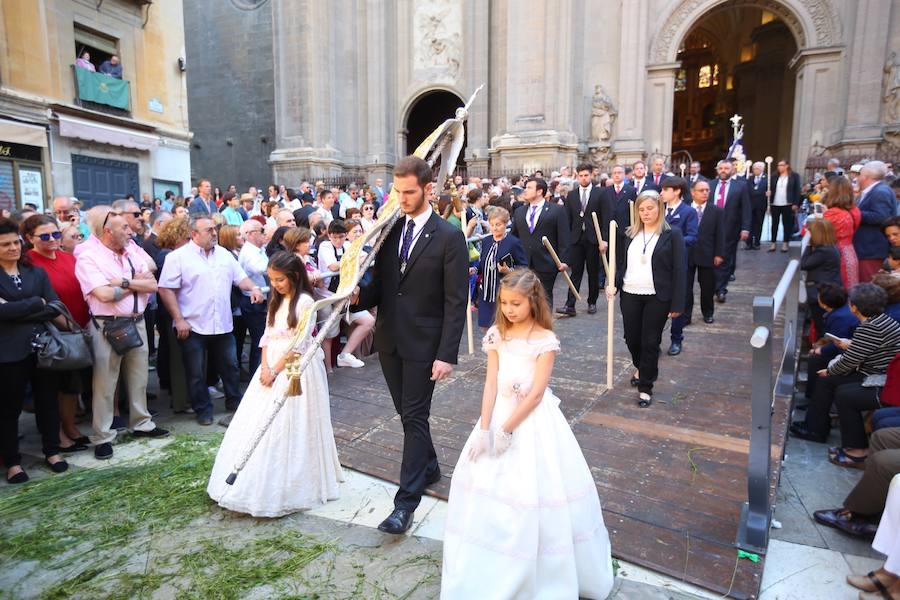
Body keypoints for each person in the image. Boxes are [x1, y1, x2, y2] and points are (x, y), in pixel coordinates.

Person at [441, 269, 614, 599]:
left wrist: (507, 429)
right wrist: (486, 426)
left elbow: (536, 393)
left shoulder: (544, 340)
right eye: (504, 303)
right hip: (498, 415)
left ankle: (540, 568)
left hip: (531, 420)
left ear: (533, 301)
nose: (508, 309)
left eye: (516, 303)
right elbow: (491, 383)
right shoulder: (496, 336)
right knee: (486, 485)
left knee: (535, 490)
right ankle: (489, 564)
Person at [353, 156, 468, 535]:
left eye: (409, 192)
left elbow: (455, 302)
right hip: (389, 339)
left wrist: (446, 354)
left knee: (414, 417)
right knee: (408, 415)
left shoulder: (449, 236)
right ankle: (430, 466)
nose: (401, 199)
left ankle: (405, 505)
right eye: (397, 192)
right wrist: (355, 294)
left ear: (427, 189)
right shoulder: (389, 233)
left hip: (425, 344)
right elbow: (380, 287)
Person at [207, 251, 343, 516]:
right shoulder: (276, 300)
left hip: (295, 366)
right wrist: (266, 366)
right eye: (272, 280)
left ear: (293, 276)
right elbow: (266, 337)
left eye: (280, 280)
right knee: (258, 421)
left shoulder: (305, 302)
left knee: (293, 420)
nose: (276, 285)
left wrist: (277, 370)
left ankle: (294, 482)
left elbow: (300, 344)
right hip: (271, 363)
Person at [75, 207, 168, 460]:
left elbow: (152, 284)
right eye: (124, 228)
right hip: (107, 325)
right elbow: (103, 294)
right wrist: (132, 284)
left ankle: (142, 423)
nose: (130, 231)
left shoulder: (131, 253)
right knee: (105, 383)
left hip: (137, 321)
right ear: (108, 231)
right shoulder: (89, 257)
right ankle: (103, 436)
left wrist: (122, 283)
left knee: (138, 378)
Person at [157, 217, 265, 426]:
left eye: (215, 230)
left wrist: (254, 288)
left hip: (222, 324)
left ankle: (234, 402)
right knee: (196, 372)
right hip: (193, 324)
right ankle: (203, 410)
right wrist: (178, 319)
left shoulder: (224, 255)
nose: (214, 233)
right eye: (208, 230)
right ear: (194, 234)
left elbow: (240, 277)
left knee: (230, 366)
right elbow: (165, 289)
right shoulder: (178, 257)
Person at [791, 284, 900, 458]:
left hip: (879, 379)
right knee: (830, 382)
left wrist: (830, 370)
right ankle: (815, 428)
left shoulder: (870, 328)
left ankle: (855, 448)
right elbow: (868, 348)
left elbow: (850, 361)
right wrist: (849, 345)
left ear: (854, 307)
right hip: (879, 372)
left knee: (839, 389)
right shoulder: (883, 320)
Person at [0, 218, 69, 482]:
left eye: (15, 242)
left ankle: (52, 451)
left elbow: (53, 306)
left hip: (42, 347)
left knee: (47, 402)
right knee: (9, 409)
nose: (12, 248)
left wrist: (14, 310)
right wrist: (33, 304)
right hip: (8, 353)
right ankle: (13, 462)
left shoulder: (35, 272)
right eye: (4, 244)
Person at [608, 190, 685, 407]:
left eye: (650, 208)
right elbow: (621, 264)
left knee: (650, 341)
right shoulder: (629, 234)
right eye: (641, 209)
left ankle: (646, 386)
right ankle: (641, 366)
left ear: (660, 209)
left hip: (657, 296)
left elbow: (680, 270)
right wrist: (612, 283)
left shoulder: (673, 234)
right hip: (630, 293)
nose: (645, 213)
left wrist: (678, 303)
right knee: (631, 338)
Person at [22, 215, 92, 451]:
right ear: (29, 238)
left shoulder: (68, 258)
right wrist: (67, 325)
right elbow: (43, 302)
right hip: (52, 333)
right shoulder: (28, 263)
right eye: (44, 236)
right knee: (51, 389)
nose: (52, 239)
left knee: (72, 385)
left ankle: (71, 427)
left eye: (55, 234)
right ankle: (58, 435)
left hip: (77, 331)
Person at [559, 163, 612, 316]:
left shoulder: (601, 193)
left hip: (594, 239)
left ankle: (592, 302)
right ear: (577, 176)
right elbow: (568, 219)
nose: (583, 178)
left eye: (586, 175)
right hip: (577, 239)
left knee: (593, 272)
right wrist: (567, 239)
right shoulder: (572, 195)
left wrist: (604, 240)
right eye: (581, 176)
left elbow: (606, 217)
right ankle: (570, 304)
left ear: (591, 176)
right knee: (575, 272)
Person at [510, 177, 570, 305]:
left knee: (544, 298)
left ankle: (545, 324)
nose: (525, 191)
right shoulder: (520, 211)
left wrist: (563, 260)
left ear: (539, 191)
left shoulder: (556, 210)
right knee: (525, 299)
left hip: (546, 263)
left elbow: (564, 237)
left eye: (529, 188)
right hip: (523, 263)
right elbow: (513, 237)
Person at [803, 284, 860, 403]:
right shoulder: (841, 311)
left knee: (815, 359)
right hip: (846, 350)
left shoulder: (840, 317)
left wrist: (820, 350)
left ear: (824, 304)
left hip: (845, 354)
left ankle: (813, 398)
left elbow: (838, 342)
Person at [661, 176, 698, 356]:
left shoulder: (688, 212)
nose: (661, 193)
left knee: (676, 302)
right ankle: (656, 340)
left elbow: (692, 236)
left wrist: (673, 242)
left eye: (665, 190)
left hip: (677, 263)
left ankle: (677, 339)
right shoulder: (660, 210)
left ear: (676, 191)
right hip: (660, 264)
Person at [473, 207, 527, 328]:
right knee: (486, 326)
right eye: (492, 224)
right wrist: (475, 270)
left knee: (503, 327)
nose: (494, 228)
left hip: (503, 292)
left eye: (498, 224)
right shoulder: (486, 241)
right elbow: (483, 263)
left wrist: (509, 271)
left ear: (505, 224)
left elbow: (523, 267)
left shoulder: (513, 242)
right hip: (486, 292)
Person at [711, 160, 751, 303]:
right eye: (720, 168)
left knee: (725, 260)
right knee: (711, 260)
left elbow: (746, 209)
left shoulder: (740, 187)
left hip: (730, 229)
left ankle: (721, 289)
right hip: (710, 229)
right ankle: (713, 286)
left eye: (726, 168)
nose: (723, 170)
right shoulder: (710, 185)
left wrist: (745, 228)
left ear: (732, 169)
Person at [685, 179, 724, 325]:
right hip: (687, 254)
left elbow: (721, 234)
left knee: (707, 287)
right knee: (686, 287)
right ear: (693, 192)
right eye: (701, 190)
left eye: (707, 190)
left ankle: (708, 312)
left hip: (708, 254)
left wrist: (719, 254)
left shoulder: (716, 211)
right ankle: (686, 315)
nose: (705, 193)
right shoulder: (685, 209)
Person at [854, 161, 896, 282]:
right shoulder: (877, 190)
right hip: (868, 249)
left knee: (869, 285)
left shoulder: (880, 192)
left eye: (860, 175)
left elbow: (880, 217)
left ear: (866, 177)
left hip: (871, 249)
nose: (858, 178)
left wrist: (854, 213)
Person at [801, 218, 843, 334]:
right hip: (827, 289)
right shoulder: (831, 247)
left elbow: (803, 264)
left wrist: (808, 246)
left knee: (822, 326)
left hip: (821, 293)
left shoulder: (823, 251)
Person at [823, 176, 861, 288]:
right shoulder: (855, 210)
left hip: (834, 254)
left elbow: (809, 232)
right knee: (850, 287)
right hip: (849, 252)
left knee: (834, 292)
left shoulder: (832, 213)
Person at [767, 159, 802, 252]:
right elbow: (770, 188)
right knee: (774, 224)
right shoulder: (774, 176)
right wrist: (769, 193)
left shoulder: (794, 176)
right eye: (778, 165)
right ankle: (773, 243)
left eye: (781, 165)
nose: (779, 167)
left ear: (787, 166)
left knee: (787, 224)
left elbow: (797, 190)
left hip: (788, 203)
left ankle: (785, 243)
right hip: (775, 203)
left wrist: (795, 203)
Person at [747, 161, 768, 249]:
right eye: (754, 168)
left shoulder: (767, 178)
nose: (756, 170)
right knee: (749, 224)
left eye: (758, 168)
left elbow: (770, 189)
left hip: (761, 204)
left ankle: (757, 242)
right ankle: (749, 243)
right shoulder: (750, 178)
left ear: (762, 169)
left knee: (759, 224)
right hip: (750, 204)